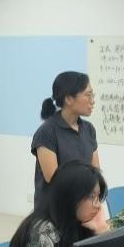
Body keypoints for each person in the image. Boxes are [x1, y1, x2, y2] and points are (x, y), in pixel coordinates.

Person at [31, 71, 100, 205]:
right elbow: (54, 180)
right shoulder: (47, 132)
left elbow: (96, 172)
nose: (92, 101)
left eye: (92, 95)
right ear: (68, 99)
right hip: (55, 209)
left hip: (82, 206)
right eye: (88, 95)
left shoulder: (88, 129)